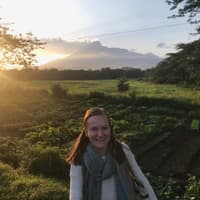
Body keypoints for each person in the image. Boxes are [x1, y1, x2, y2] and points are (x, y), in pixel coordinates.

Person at [66, 107, 157, 200]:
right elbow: (75, 194)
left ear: (110, 129)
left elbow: (141, 179)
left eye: (104, 128)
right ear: (86, 132)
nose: (100, 134)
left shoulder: (122, 150)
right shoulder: (79, 157)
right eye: (94, 129)